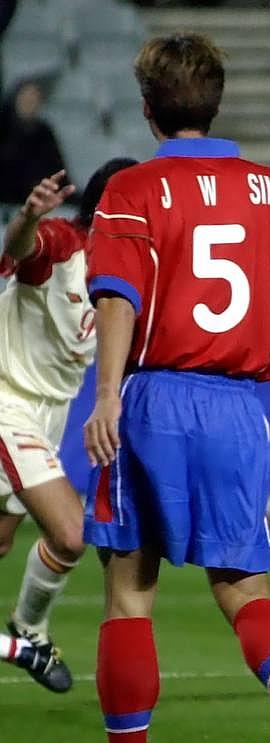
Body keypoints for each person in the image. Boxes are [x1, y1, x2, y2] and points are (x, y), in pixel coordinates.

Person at [73, 33, 270, 743]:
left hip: (153, 396)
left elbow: (116, 292)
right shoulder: (269, 190)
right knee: (245, 585)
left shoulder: (134, 188)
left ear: (149, 109)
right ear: (214, 101)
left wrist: (108, 395)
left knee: (129, 592)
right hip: (236, 405)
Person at [0, 159, 135, 692]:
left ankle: (26, 633)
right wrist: (29, 216)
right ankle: (28, 634)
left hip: (48, 413)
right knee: (72, 533)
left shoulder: (121, 271)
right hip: (8, 400)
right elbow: (21, 248)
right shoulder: (64, 245)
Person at [0, 81, 69, 206]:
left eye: (34, 99)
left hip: (39, 200)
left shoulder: (45, 132)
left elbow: (57, 171)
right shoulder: (4, 130)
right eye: (25, 98)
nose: (29, 103)